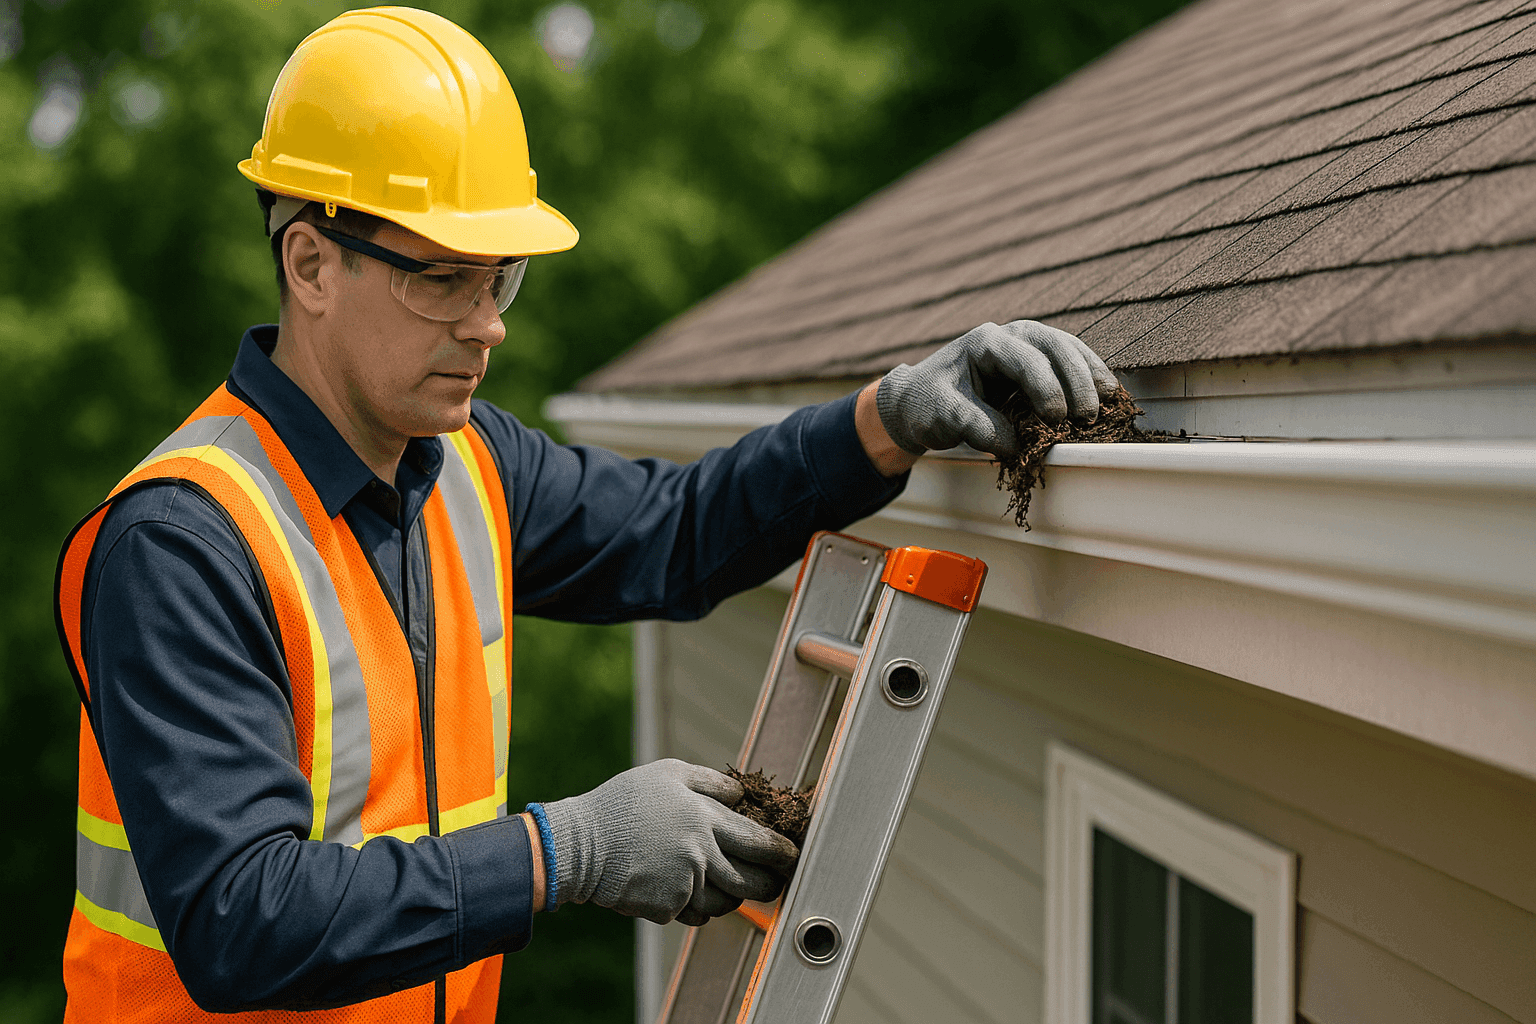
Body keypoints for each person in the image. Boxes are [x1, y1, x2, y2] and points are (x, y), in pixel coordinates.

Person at [54, 7, 1119, 1022]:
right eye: (445, 280)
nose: (488, 326)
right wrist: (567, 852)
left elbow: (677, 530)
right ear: (311, 264)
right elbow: (245, 917)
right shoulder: (184, 541)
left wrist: (887, 418)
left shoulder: (466, 464)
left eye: (500, 279)